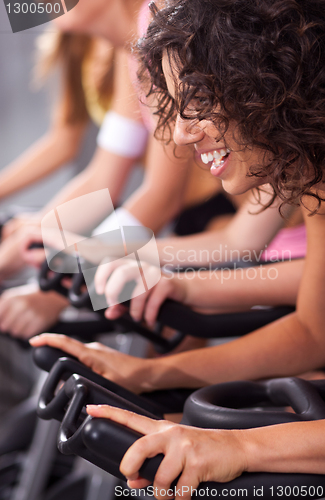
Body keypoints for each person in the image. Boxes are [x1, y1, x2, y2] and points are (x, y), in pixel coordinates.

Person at [30, 0, 325, 493]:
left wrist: (67, 272)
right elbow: (98, 177)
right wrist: (51, 244)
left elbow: (156, 197)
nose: (183, 134)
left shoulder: (162, 25)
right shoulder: (125, 50)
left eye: (198, 101)